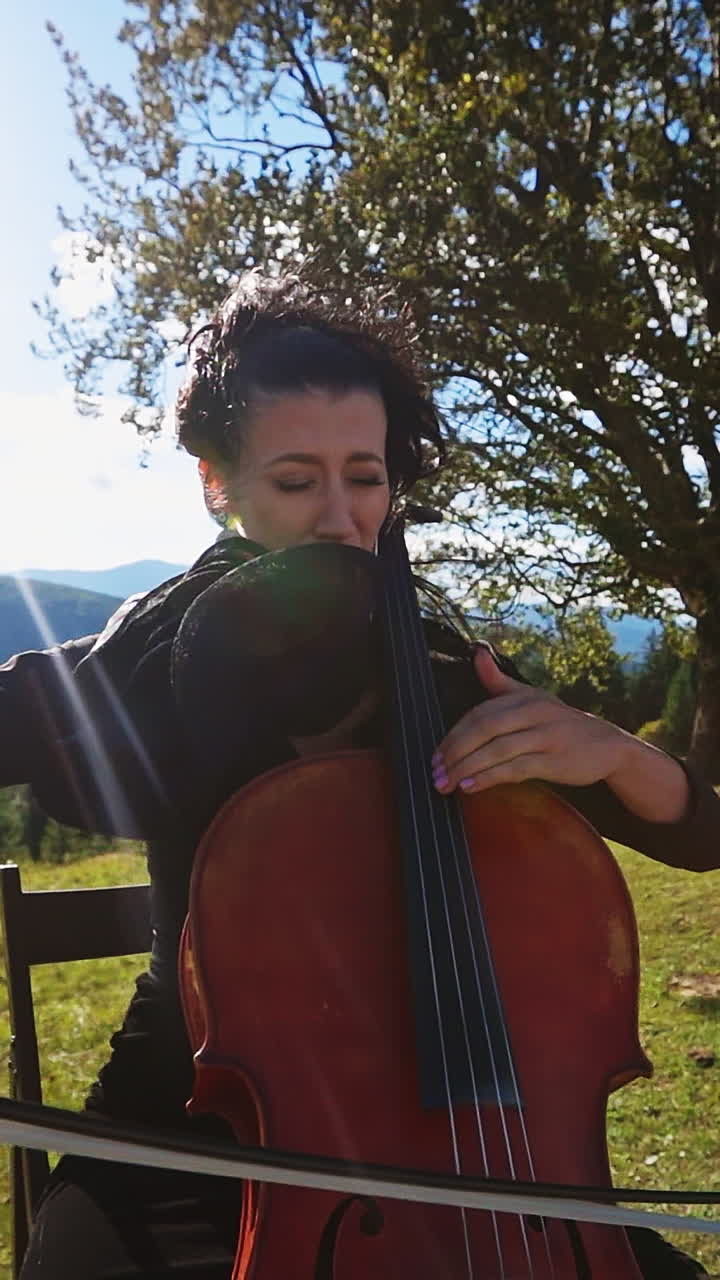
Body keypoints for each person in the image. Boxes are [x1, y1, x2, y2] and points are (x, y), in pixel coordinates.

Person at [3, 270, 717, 1278]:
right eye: (296, 481)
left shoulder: (442, 667)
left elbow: (699, 833)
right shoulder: (152, 651)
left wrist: (617, 750)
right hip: (189, 1132)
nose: (343, 517)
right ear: (219, 482)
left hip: (467, 1146)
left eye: (367, 476)